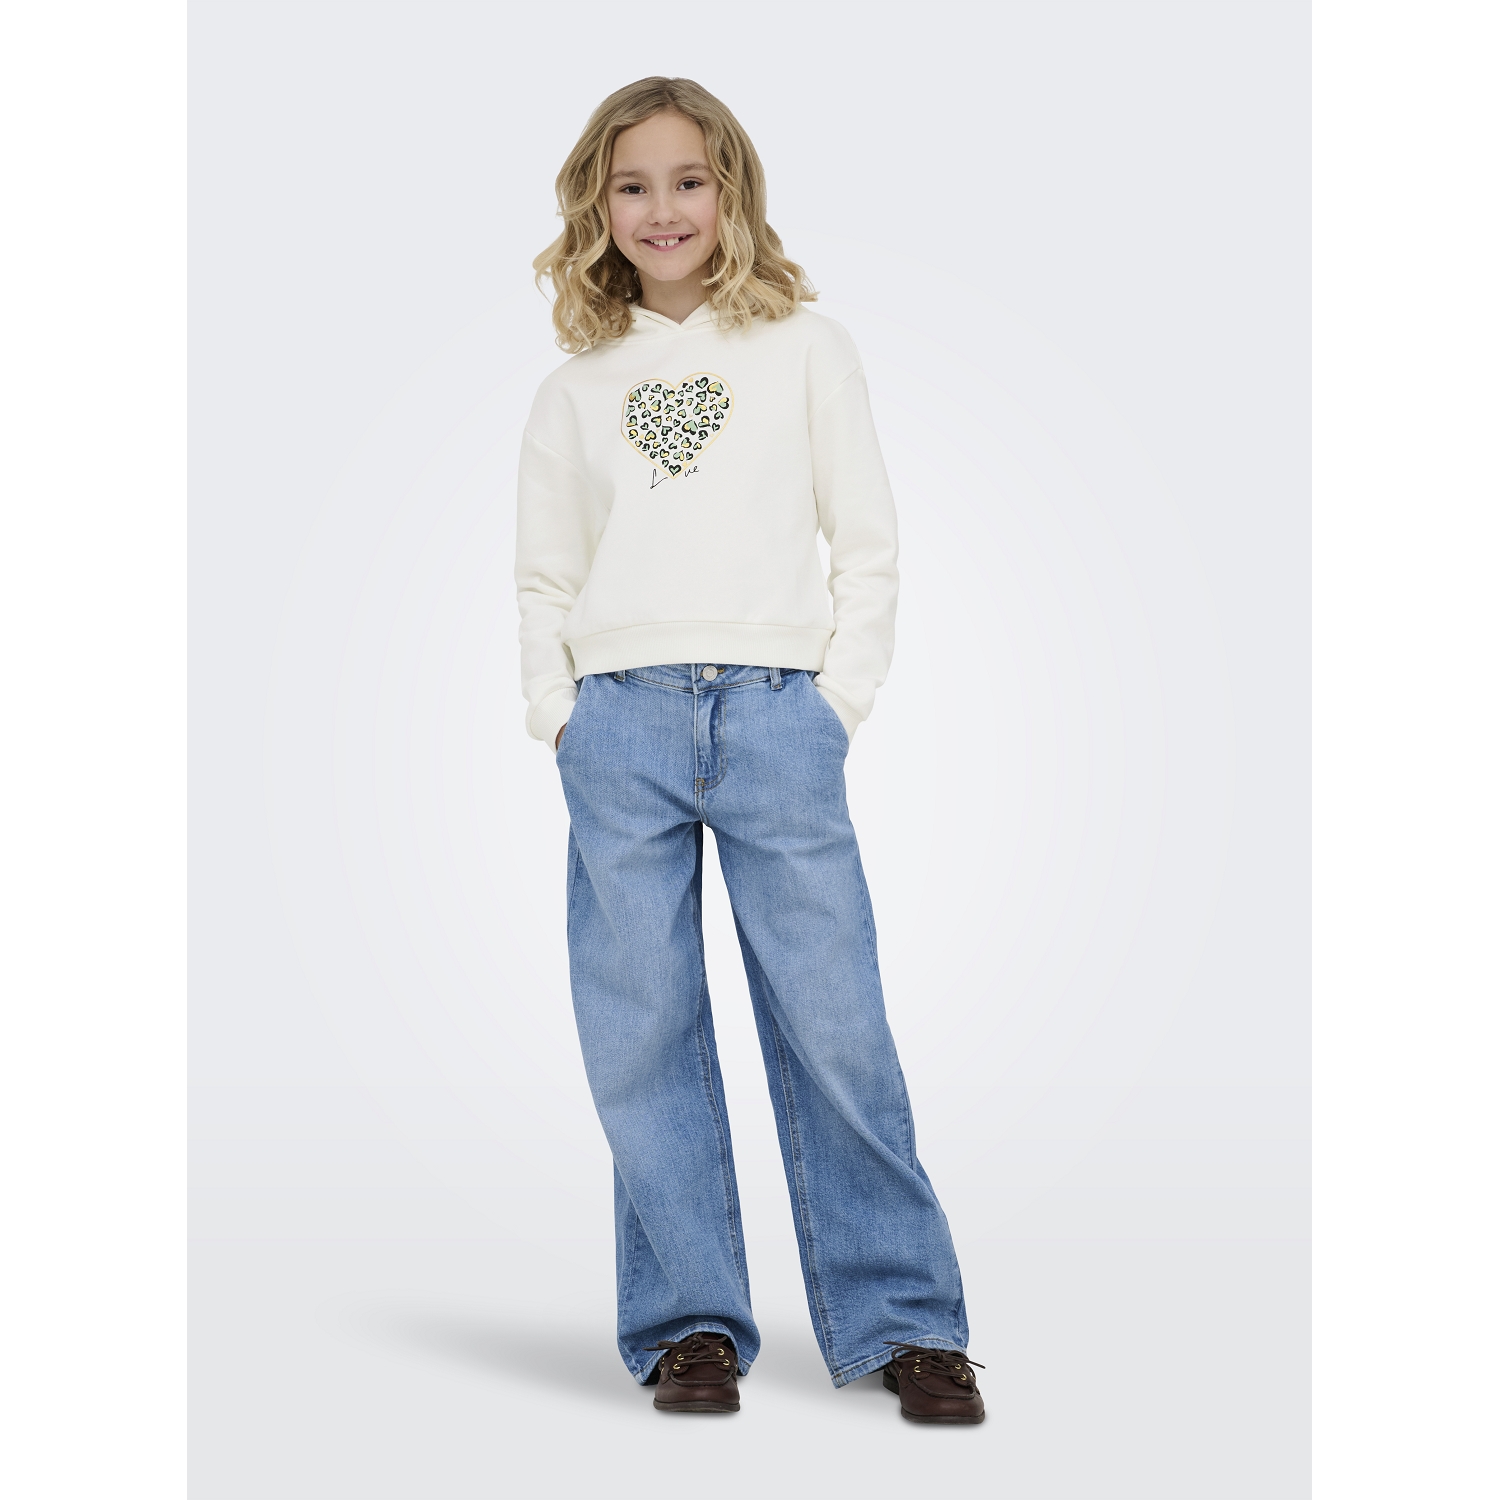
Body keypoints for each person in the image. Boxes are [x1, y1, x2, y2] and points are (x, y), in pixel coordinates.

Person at [514, 76, 983, 1424]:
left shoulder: (807, 351)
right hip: (621, 721)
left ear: (732, 193)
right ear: (598, 206)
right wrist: (560, 714)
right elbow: (544, 575)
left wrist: (836, 704)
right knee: (643, 1031)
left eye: (688, 181)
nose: (662, 209)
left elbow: (868, 540)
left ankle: (906, 1321)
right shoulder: (574, 389)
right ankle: (689, 1324)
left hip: (778, 716)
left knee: (835, 1021)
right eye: (632, 185)